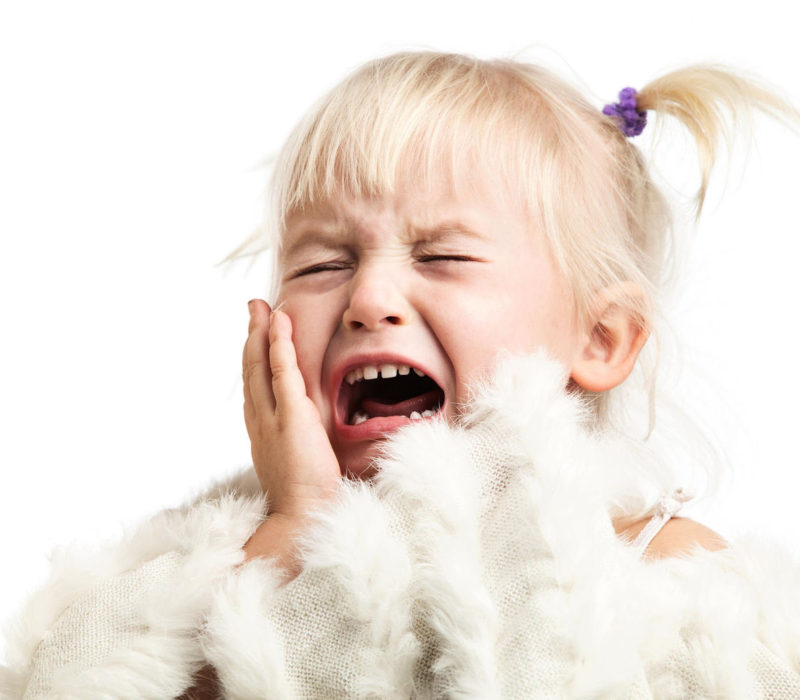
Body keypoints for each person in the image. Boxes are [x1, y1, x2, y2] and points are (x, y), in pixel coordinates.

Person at [3, 51, 800, 699]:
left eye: (442, 255)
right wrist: (297, 535)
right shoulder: (200, 568)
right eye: (323, 263)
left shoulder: (671, 579)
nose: (368, 300)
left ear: (600, 340)